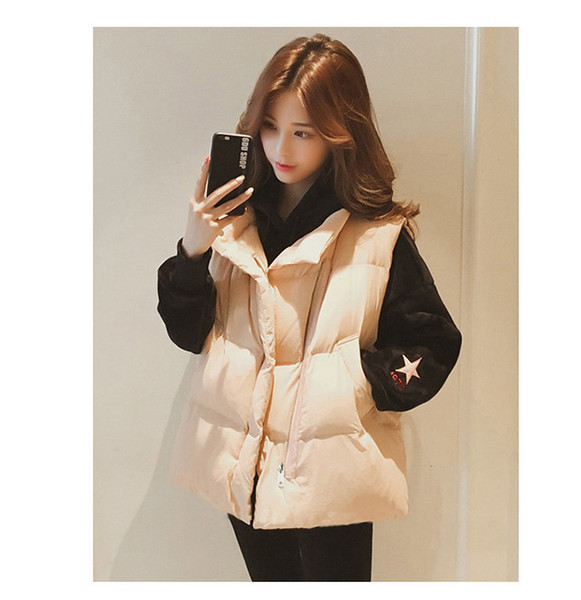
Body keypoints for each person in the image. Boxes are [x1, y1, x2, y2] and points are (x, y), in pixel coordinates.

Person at [157, 33, 462, 582]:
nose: (282, 149)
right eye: (270, 126)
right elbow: (187, 332)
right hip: (244, 464)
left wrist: (357, 384)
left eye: (304, 132)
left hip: (330, 469)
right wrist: (193, 250)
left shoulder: (376, 235)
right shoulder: (232, 222)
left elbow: (434, 341)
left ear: (340, 133)